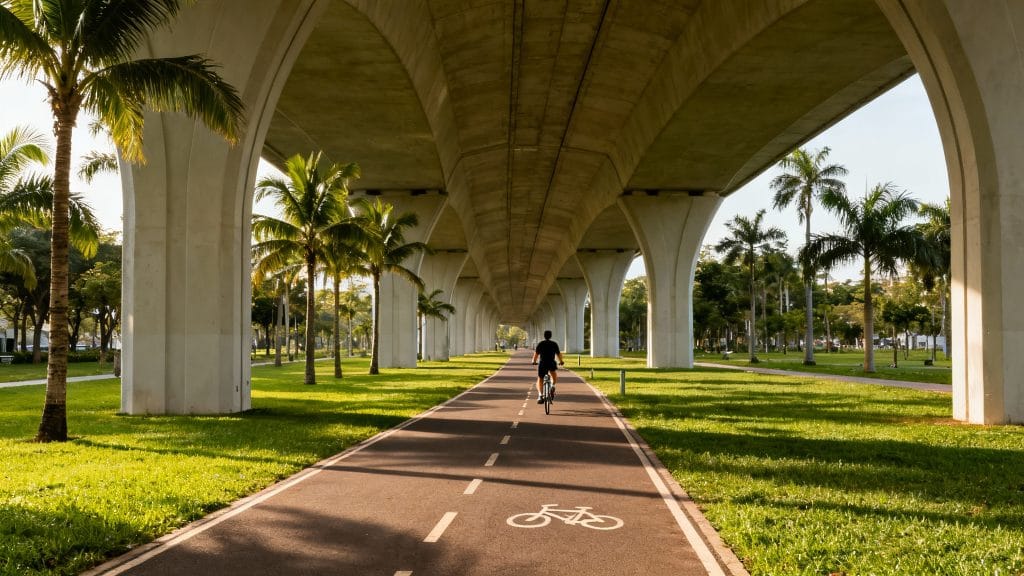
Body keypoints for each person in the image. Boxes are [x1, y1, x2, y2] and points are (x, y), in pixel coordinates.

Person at [531, 330, 564, 404]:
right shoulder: (554, 344)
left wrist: (534, 361)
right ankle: (553, 386)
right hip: (551, 363)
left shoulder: (541, 344)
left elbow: (536, 354)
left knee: (540, 379)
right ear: (551, 336)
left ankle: (540, 396)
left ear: (544, 336)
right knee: (554, 375)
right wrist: (561, 361)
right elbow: (558, 354)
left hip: (543, 363)